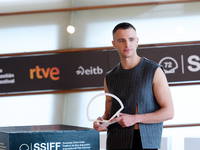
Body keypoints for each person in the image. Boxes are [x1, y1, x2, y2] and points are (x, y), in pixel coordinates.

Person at [93, 22, 174, 150]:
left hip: (145, 142)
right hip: (116, 143)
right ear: (114, 44)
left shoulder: (154, 70)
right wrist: (102, 122)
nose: (127, 44)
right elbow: (109, 114)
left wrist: (135, 118)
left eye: (131, 39)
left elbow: (168, 112)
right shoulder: (110, 76)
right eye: (121, 40)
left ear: (137, 41)